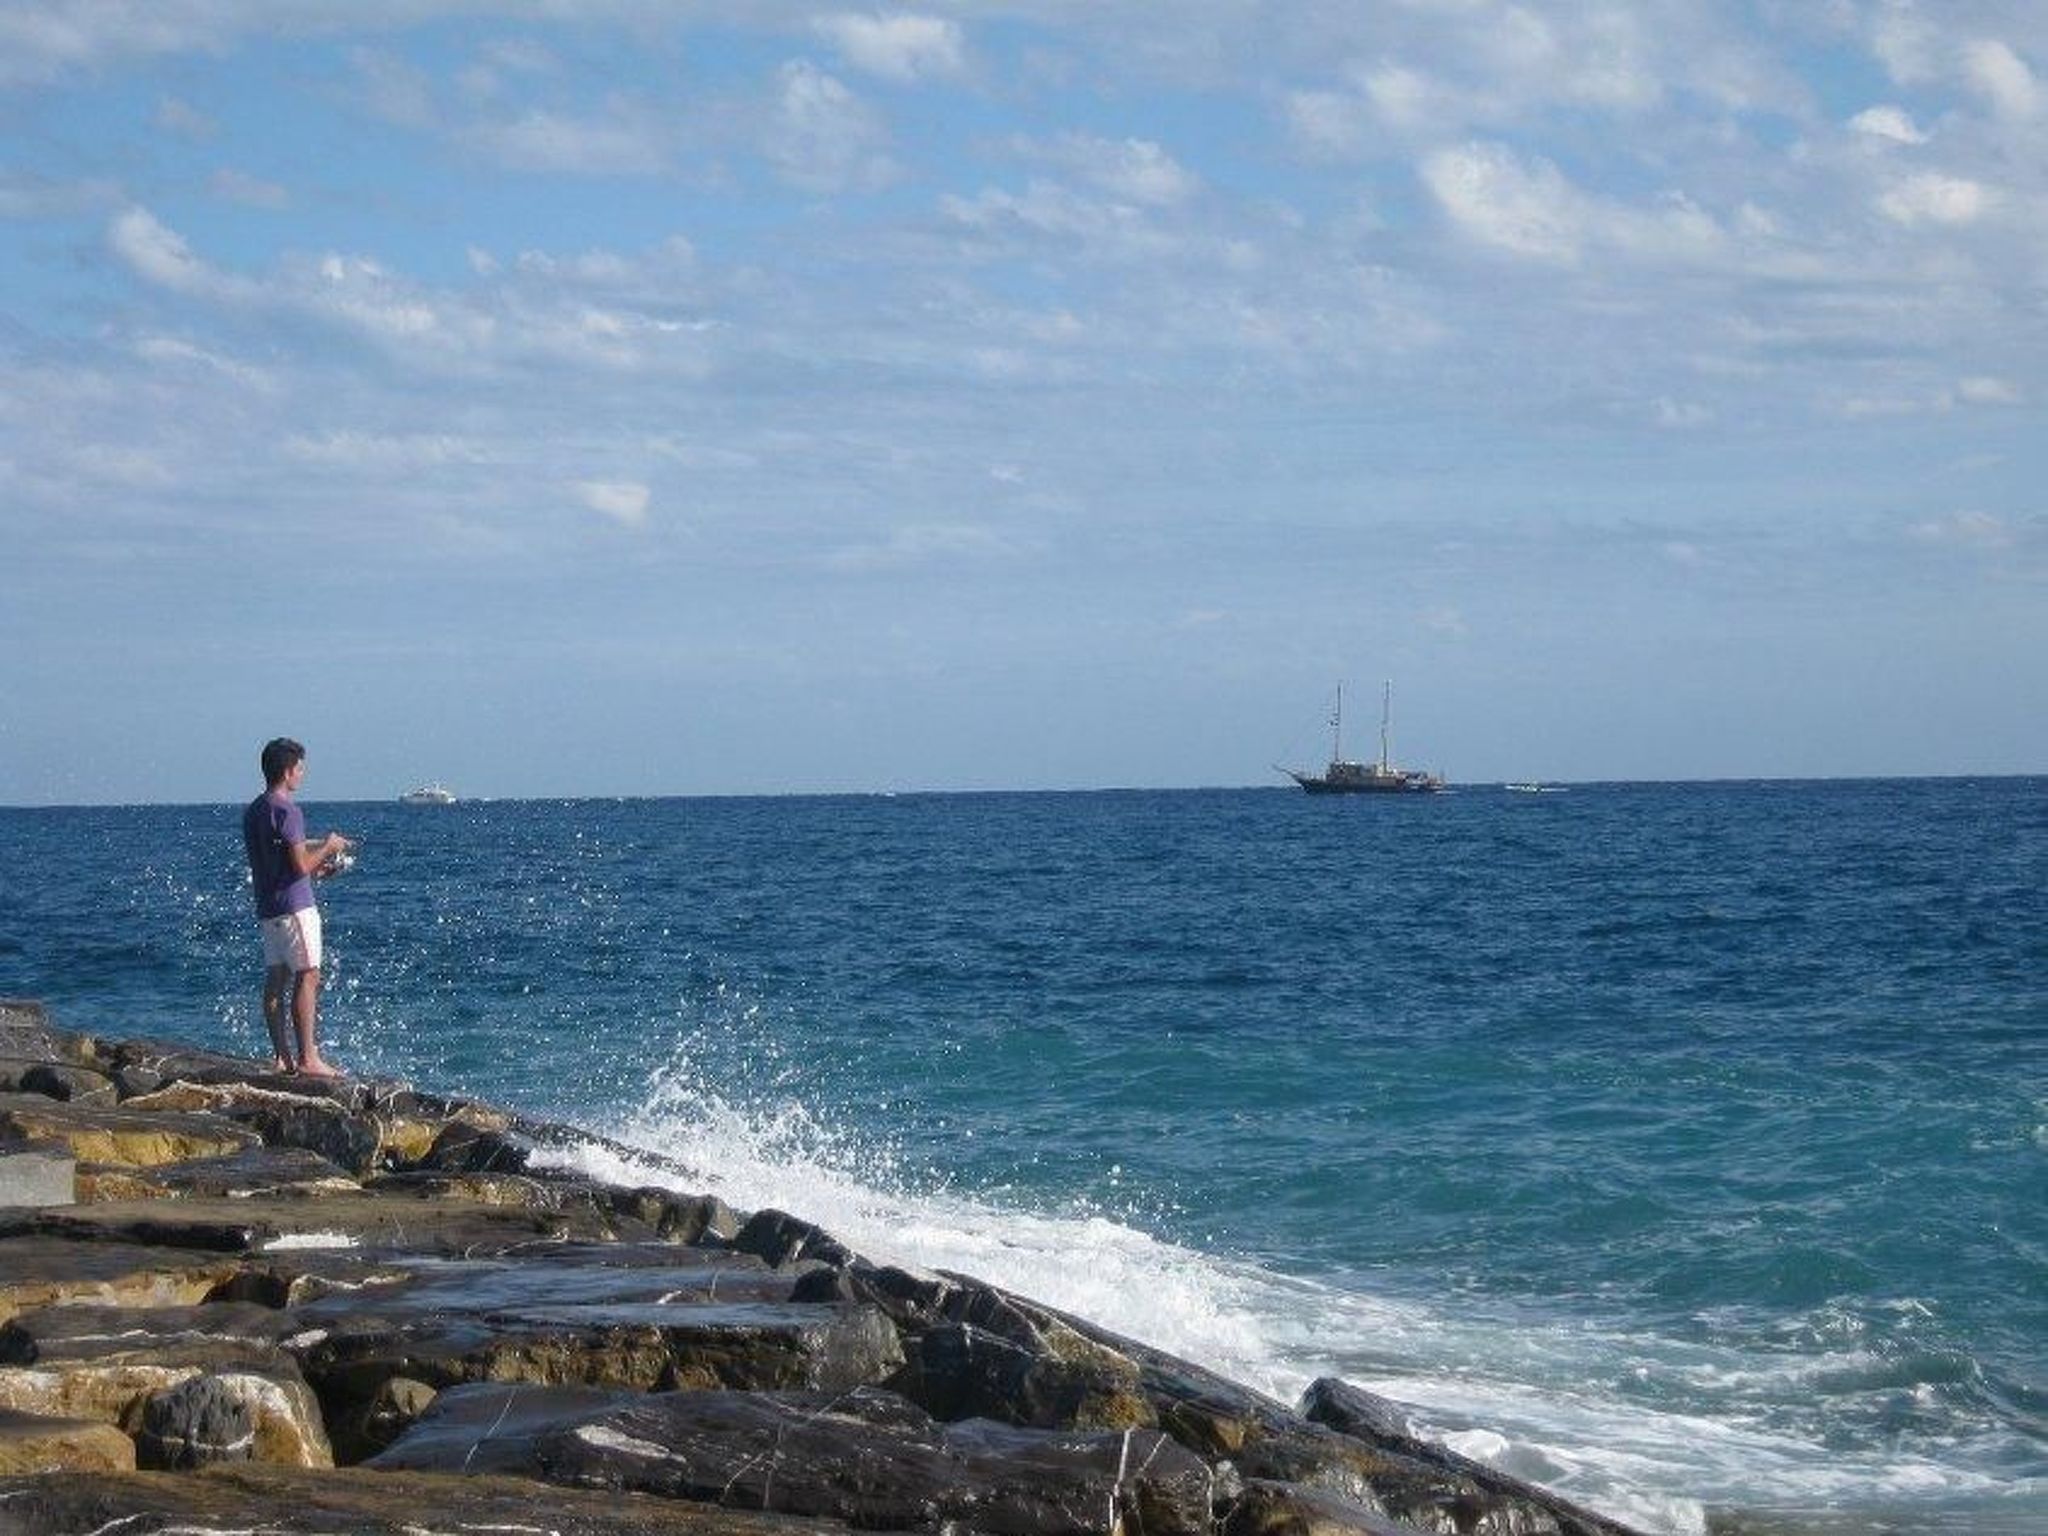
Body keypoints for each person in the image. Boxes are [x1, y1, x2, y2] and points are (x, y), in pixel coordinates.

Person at [242, 737, 351, 1077]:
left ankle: (281, 1057)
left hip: (269, 909)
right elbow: (300, 865)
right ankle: (308, 1058)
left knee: (276, 979)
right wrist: (330, 845)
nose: (302, 774)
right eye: (300, 768)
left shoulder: (255, 811)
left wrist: (319, 869)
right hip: (295, 909)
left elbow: (280, 863)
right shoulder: (288, 810)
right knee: (308, 975)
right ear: (289, 771)